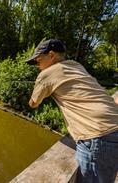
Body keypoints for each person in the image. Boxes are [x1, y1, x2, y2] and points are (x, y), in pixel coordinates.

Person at [26, 39, 118, 183]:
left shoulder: (46, 74)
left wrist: (41, 86)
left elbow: (33, 103)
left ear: (51, 55)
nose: (37, 66)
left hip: (97, 135)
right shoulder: (76, 65)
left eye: (38, 61)